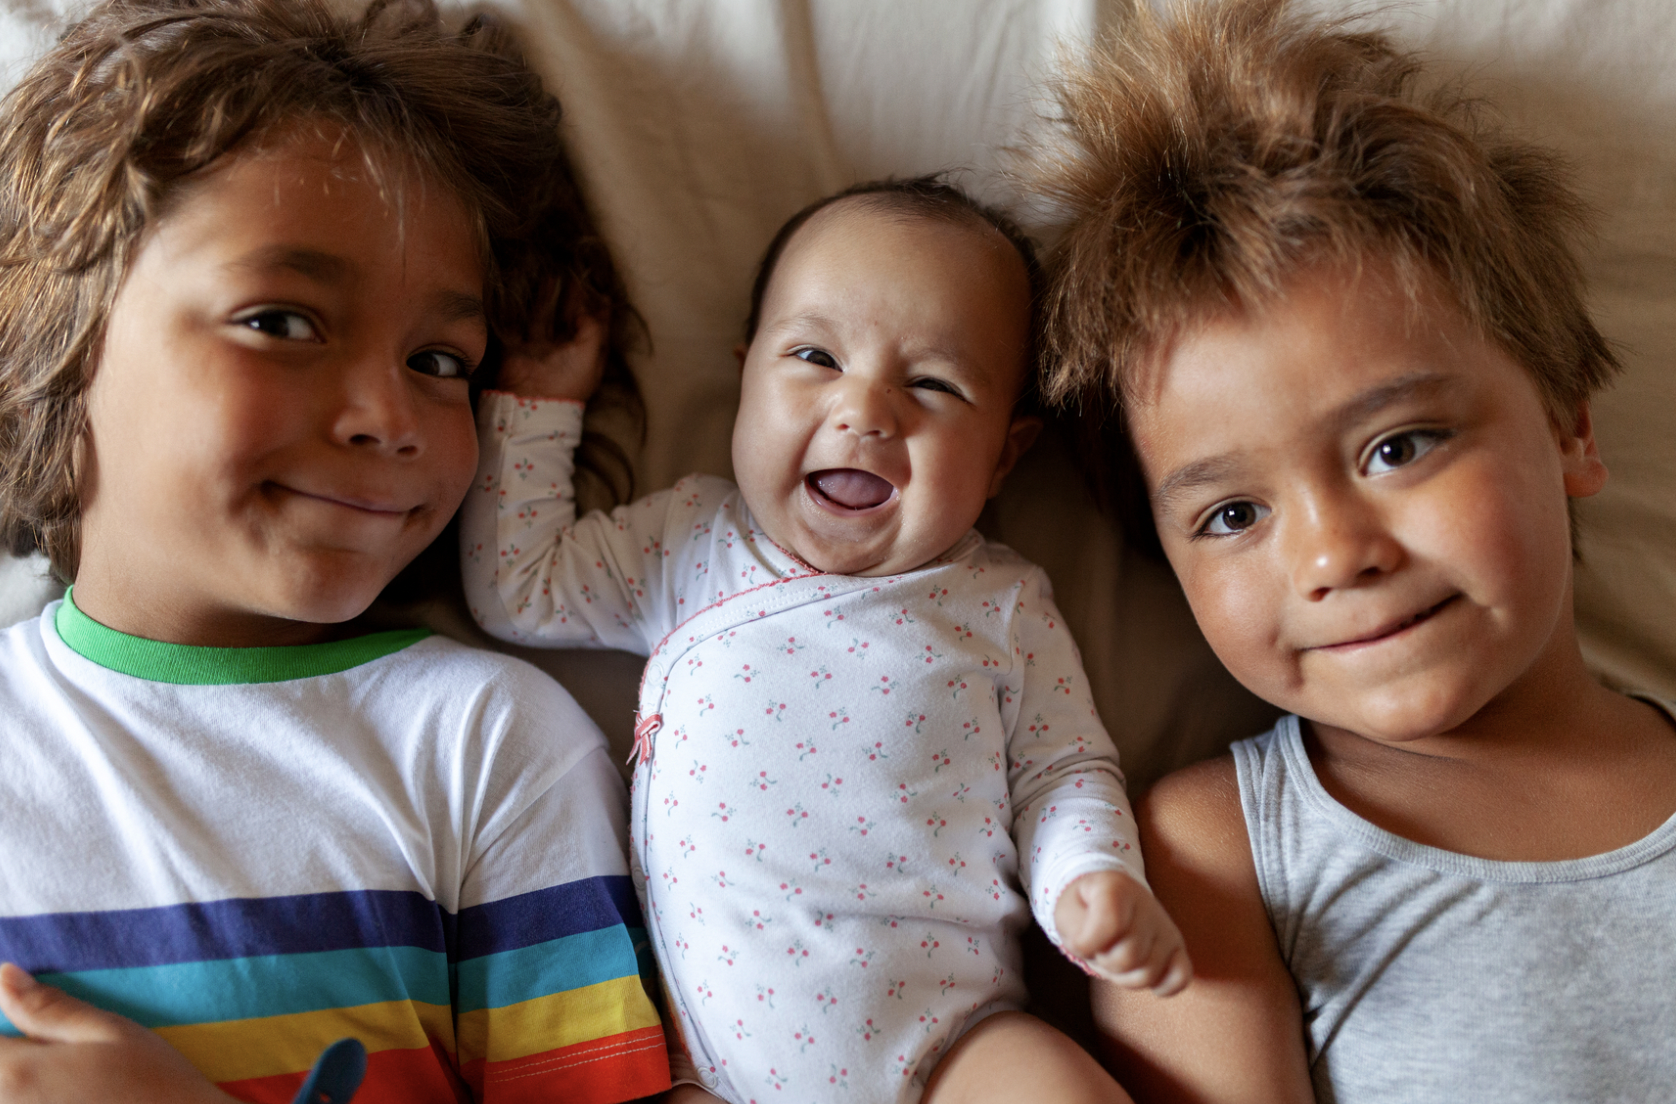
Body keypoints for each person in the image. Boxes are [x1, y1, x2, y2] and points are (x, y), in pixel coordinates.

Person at [0, 1, 670, 1099]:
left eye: (441, 361)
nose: (389, 416)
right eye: (282, 321)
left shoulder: (487, 749)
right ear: (58, 343)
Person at [1032, 1, 1676, 1101]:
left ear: (1568, 426)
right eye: (1231, 515)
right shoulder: (1208, 858)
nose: (1334, 554)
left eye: (1398, 446)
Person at [460, 177, 1191, 1103]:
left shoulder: (1000, 603)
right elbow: (518, 587)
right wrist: (538, 397)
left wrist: (1091, 878)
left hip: (957, 1041)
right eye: (815, 356)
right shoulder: (688, 546)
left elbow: (1064, 771)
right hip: (708, 1070)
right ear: (744, 380)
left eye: (932, 382)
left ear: (1006, 456)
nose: (869, 411)